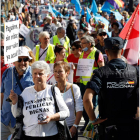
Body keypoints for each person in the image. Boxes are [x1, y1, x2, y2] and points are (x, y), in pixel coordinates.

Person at [83, 37, 139, 140]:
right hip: (131, 126)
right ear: (122, 51)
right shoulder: (135, 71)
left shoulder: (100, 72)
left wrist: (93, 120)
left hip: (108, 127)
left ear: (106, 51)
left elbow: (86, 99)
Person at [9, 61, 70, 140]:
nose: (37, 76)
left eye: (40, 74)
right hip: (29, 135)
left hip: (50, 135)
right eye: (35, 73)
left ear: (47, 76)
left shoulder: (53, 90)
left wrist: (51, 117)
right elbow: (16, 115)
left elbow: (66, 112)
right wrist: (14, 102)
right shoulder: (26, 92)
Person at [1, 47, 35, 140]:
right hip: (4, 119)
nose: (22, 62)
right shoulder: (7, 72)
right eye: (19, 59)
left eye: (25, 59)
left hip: (23, 122)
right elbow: (2, 94)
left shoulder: (35, 74)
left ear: (29, 60)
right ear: (14, 61)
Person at [79, 35, 104, 131]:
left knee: (93, 104)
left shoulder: (97, 53)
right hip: (83, 83)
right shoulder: (83, 53)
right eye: (81, 43)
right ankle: (87, 123)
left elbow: (101, 68)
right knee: (84, 104)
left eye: (83, 43)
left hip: (93, 84)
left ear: (89, 44)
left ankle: (93, 124)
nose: (81, 45)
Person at [53, 61, 83, 140]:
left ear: (67, 73)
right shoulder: (51, 89)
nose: (57, 74)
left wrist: (75, 126)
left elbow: (79, 108)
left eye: (60, 71)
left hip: (70, 127)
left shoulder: (74, 88)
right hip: (54, 128)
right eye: (55, 71)